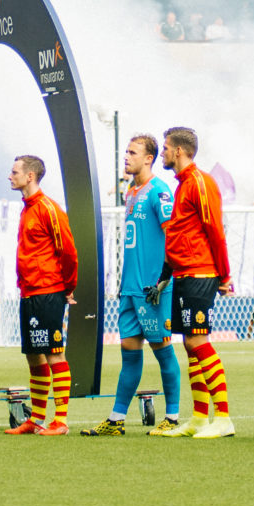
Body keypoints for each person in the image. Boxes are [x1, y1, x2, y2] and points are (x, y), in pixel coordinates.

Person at [84, 135, 182, 437]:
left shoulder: (159, 191)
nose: (126, 157)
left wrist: (163, 280)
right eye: (126, 151)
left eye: (132, 152)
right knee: (128, 350)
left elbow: (173, 235)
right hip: (129, 288)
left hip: (152, 288)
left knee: (162, 350)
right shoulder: (131, 190)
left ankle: (173, 418)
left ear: (149, 158)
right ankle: (115, 420)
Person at [157, 127, 234, 439]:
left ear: (178, 151)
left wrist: (224, 275)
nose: (162, 153)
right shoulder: (183, 185)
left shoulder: (200, 182)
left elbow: (215, 228)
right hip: (185, 272)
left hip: (201, 272)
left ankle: (224, 418)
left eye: (164, 148)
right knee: (190, 345)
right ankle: (200, 418)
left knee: (199, 342)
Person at [5, 155, 79, 436]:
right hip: (29, 292)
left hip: (49, 291)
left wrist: (68, 287)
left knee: (53, 355)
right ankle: (35, 419)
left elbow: (69, 252)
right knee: (34, 357)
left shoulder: (49, 209)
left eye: (14, 172)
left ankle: (60, 420)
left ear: (30, 176)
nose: (10, 176)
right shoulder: (27, 208)